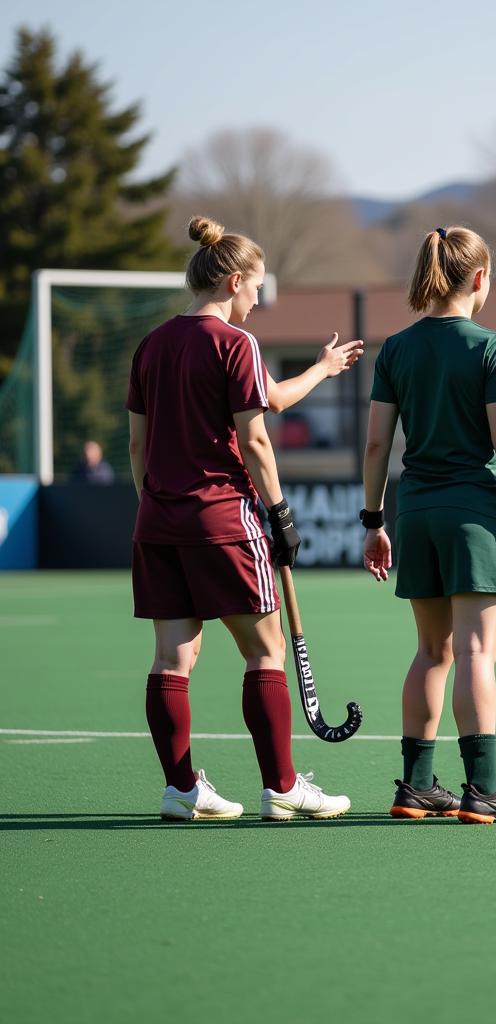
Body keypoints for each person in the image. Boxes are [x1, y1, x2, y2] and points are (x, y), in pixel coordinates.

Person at [127, 215, 364, 822]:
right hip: (223, 520)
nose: (259, 300)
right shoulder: (234, 343)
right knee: (265, 652)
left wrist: (321, 368)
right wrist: (281, 513)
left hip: (158, 521)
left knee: (171, 659)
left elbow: (137, 445)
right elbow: (256, 438)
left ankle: (181, 790)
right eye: (257, 287)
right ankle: (282, 787)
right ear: (233, 281)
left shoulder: (152, 345)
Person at [361, 225, 496, 825]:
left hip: (416, 511)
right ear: (479, 278)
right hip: (475, 514)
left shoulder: (396, 348)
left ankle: (417, 786)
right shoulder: (491, 345)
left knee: (431, 651)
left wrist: (374, 521)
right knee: (477, 651)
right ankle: (482, 789)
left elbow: (377, 445)